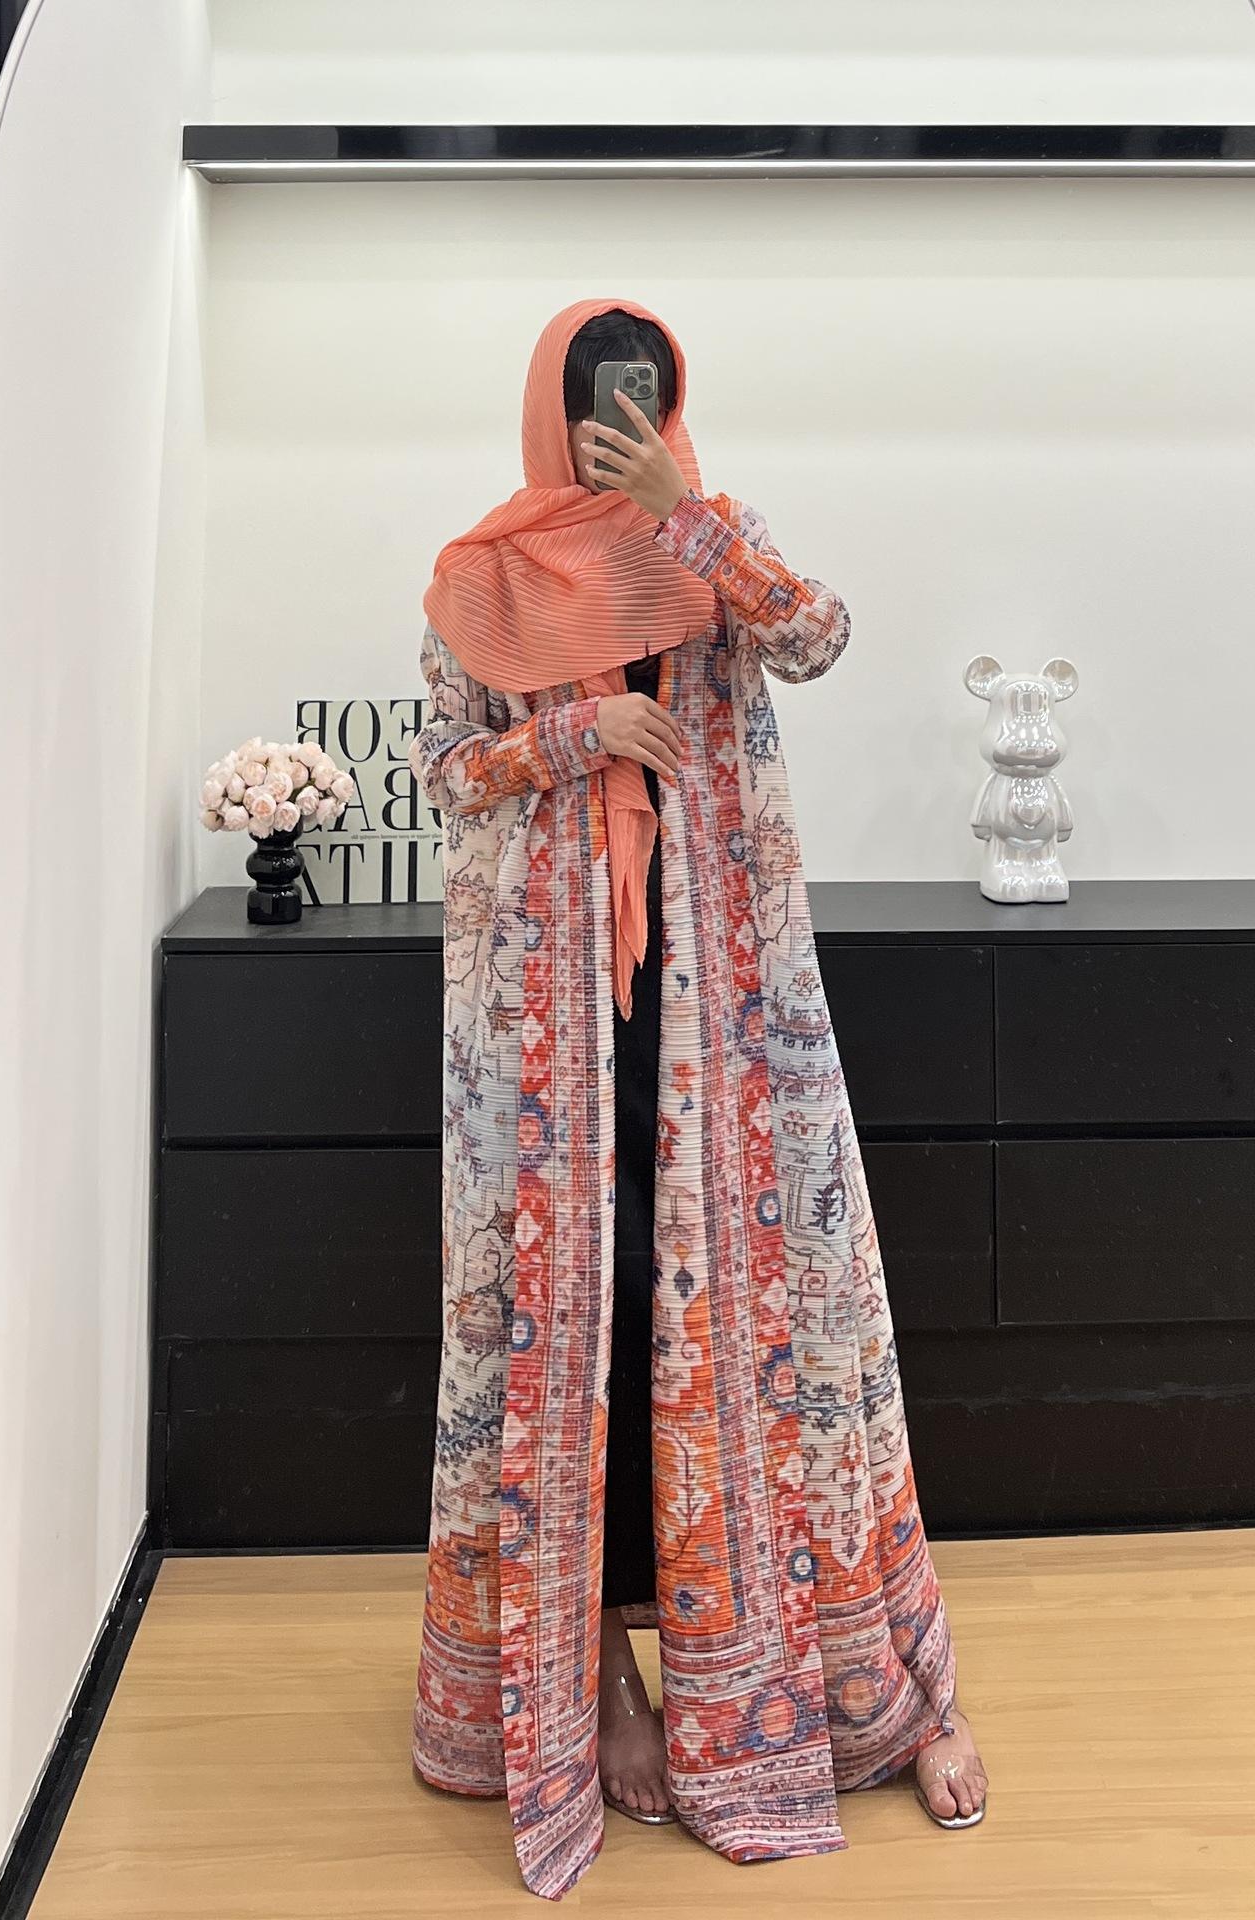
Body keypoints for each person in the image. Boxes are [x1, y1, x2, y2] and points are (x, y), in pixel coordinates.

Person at [407, 296, 988, 1901]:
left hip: (723, 1016)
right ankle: (598, 1683)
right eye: (604, 399)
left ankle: (858, 1680)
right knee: (576, 1352)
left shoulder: (711, 543)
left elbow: (818, 634)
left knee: (775, 1333)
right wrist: (575, 734)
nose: (626, 421)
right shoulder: (480, 575)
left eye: (650, 397)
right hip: (547, 1035)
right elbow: (442, 770)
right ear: (556, 406)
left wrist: (692, 516)